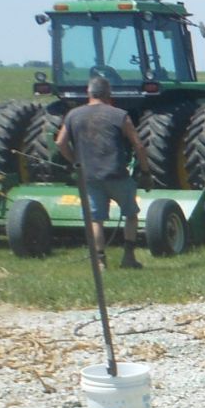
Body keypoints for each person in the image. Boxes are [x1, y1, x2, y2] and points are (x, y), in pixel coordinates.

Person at [56, 75, 153, 269]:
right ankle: (129, 257)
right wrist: (145, 172)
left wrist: (75, 161)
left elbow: (60, 142)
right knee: (131, 215)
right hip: (116, 174)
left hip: (89, 176)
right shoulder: (119, 115)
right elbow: (139, 145)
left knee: (95, 219)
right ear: (109, 94)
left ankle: (100, 261)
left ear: (89, 93)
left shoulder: (73, 115)